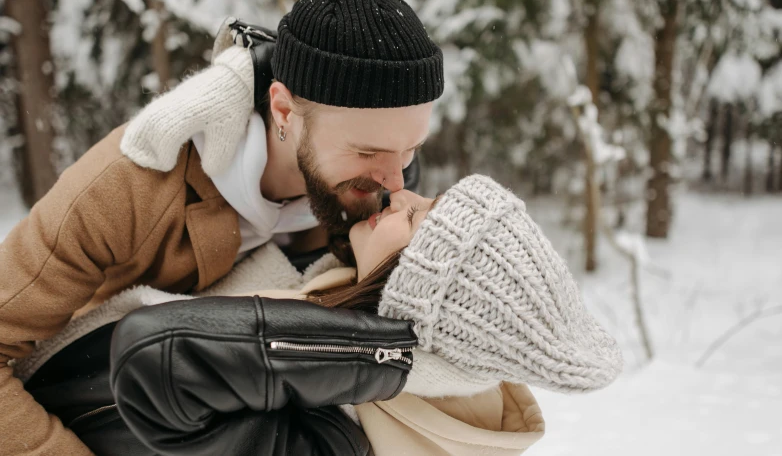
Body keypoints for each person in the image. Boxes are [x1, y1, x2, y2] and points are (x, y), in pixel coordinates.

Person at [0, 0, 443, 455]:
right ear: (284, 112)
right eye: (367, 152)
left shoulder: (383, 201)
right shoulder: (129, 186)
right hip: (93, 405)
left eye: (410, 150)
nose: (395, 182)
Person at [20, 175, 621, 454]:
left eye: (415, 219)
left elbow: (157, 358)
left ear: (418, 296)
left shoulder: (349, 436)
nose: (401, 193)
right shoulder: (328, 288)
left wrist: (390, 351)